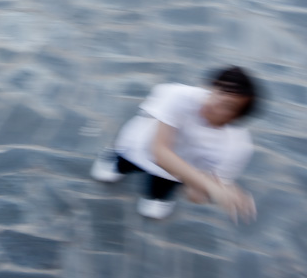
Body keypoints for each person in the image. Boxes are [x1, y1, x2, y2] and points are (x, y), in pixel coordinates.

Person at [91, 66, 260, 222]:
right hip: (138, 149)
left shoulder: (236, 148)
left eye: (227, 105)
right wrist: (210, 186)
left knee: (162, 186)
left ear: (235, 118)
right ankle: (113, 162)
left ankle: (156, 197)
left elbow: (194, 195)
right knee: (123, 162)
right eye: (217, 91)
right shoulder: (177, 95)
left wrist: (213, 194)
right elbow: (160, 151)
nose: (213, 102)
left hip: (175, 175)